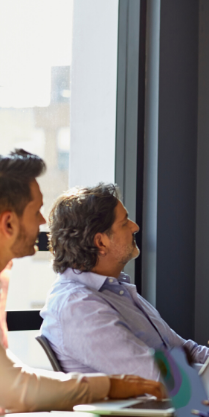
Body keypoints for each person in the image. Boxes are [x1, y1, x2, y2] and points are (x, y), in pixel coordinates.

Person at [40, 184, 209, 390]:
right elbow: (156, 374)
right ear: (101, 242)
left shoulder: (117, 289)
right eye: (124, 222)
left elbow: (184, 351)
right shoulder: (77, 306)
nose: (135, 227)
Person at [0, 149, 163, 412]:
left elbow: (11, 379)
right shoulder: (77, 302)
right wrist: (109, 386)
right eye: (36, 211)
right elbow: (14, 390)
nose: (43, 222)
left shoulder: (119, 288)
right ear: (8, 224)